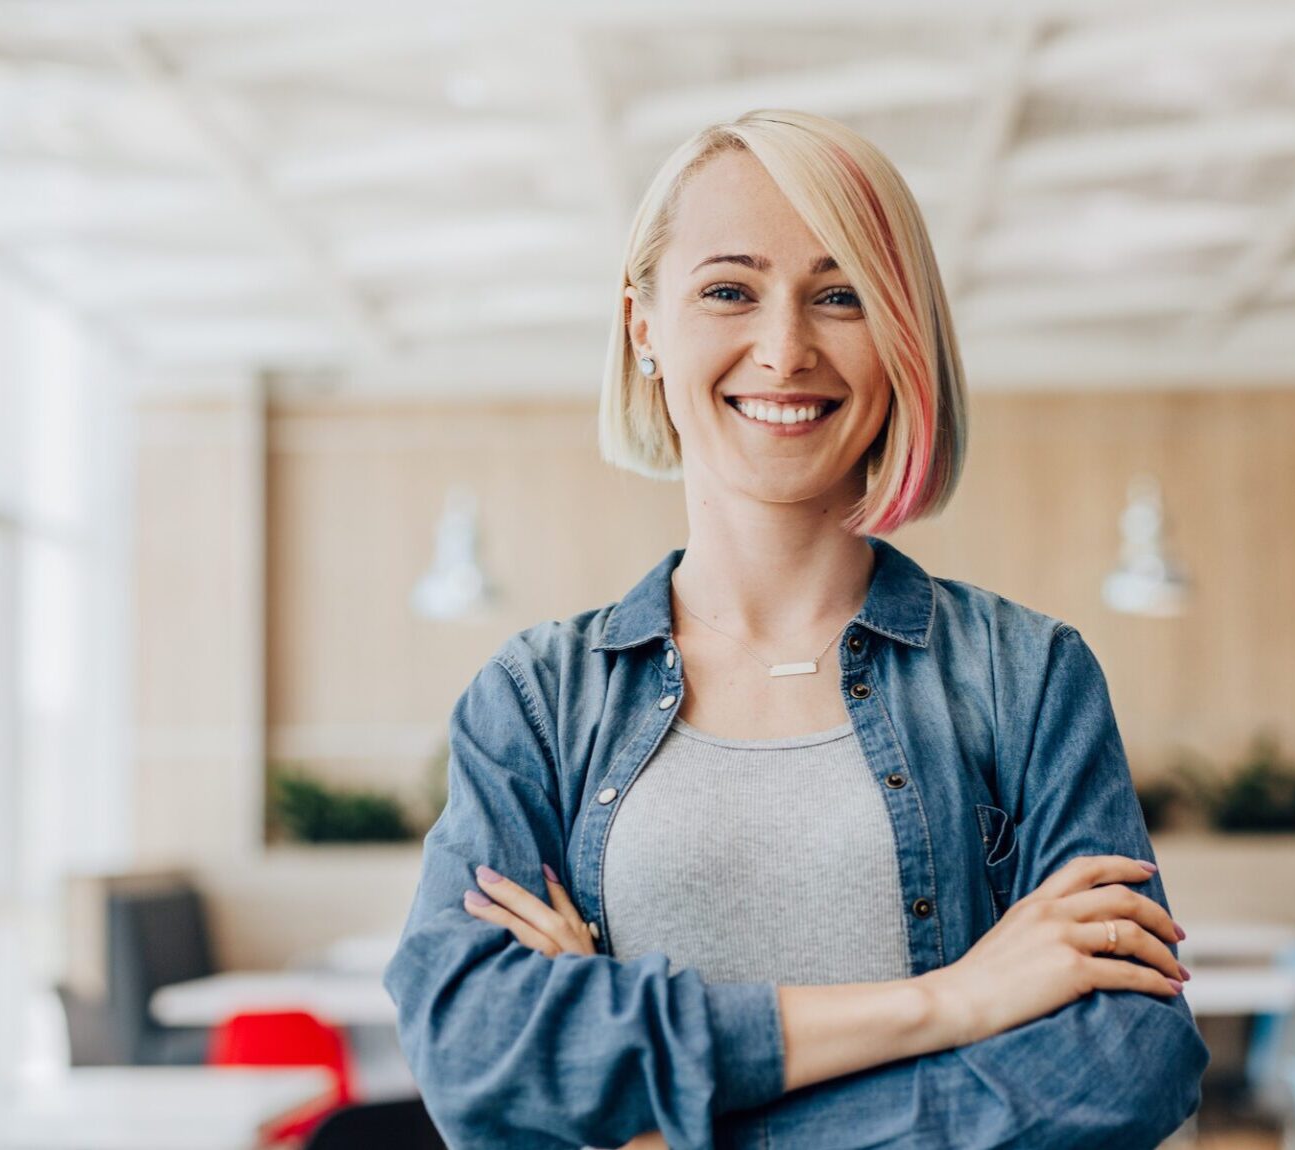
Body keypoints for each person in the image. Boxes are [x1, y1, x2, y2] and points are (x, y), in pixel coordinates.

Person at [383, 109, 1209, 1150]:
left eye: (842, 295)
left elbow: (1128, 1062)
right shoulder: (538, 701)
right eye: (729, 290)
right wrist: (948, 1002)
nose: (785, 348)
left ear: (903, 335)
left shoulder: (1027, 678)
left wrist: (653, 1114)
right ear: (644, 325)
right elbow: (476, 1055)